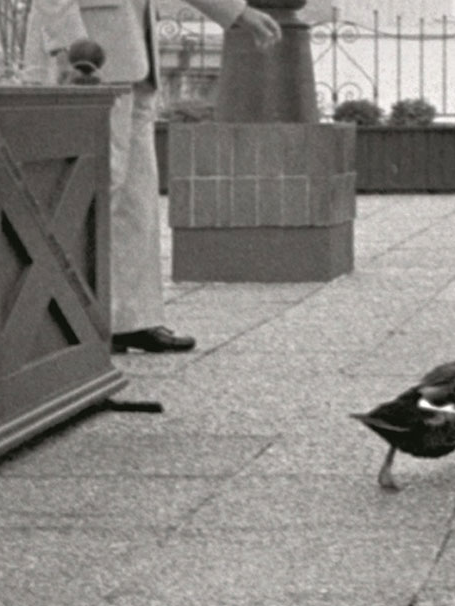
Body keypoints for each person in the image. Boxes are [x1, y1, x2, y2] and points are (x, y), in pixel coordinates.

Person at [28, 0, 280, 354]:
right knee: (92, 189)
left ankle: (129, 319)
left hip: (134, 57)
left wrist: (237, 12)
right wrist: (70, 49)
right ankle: (70, 321)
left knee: (136, 196)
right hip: (88, 59)